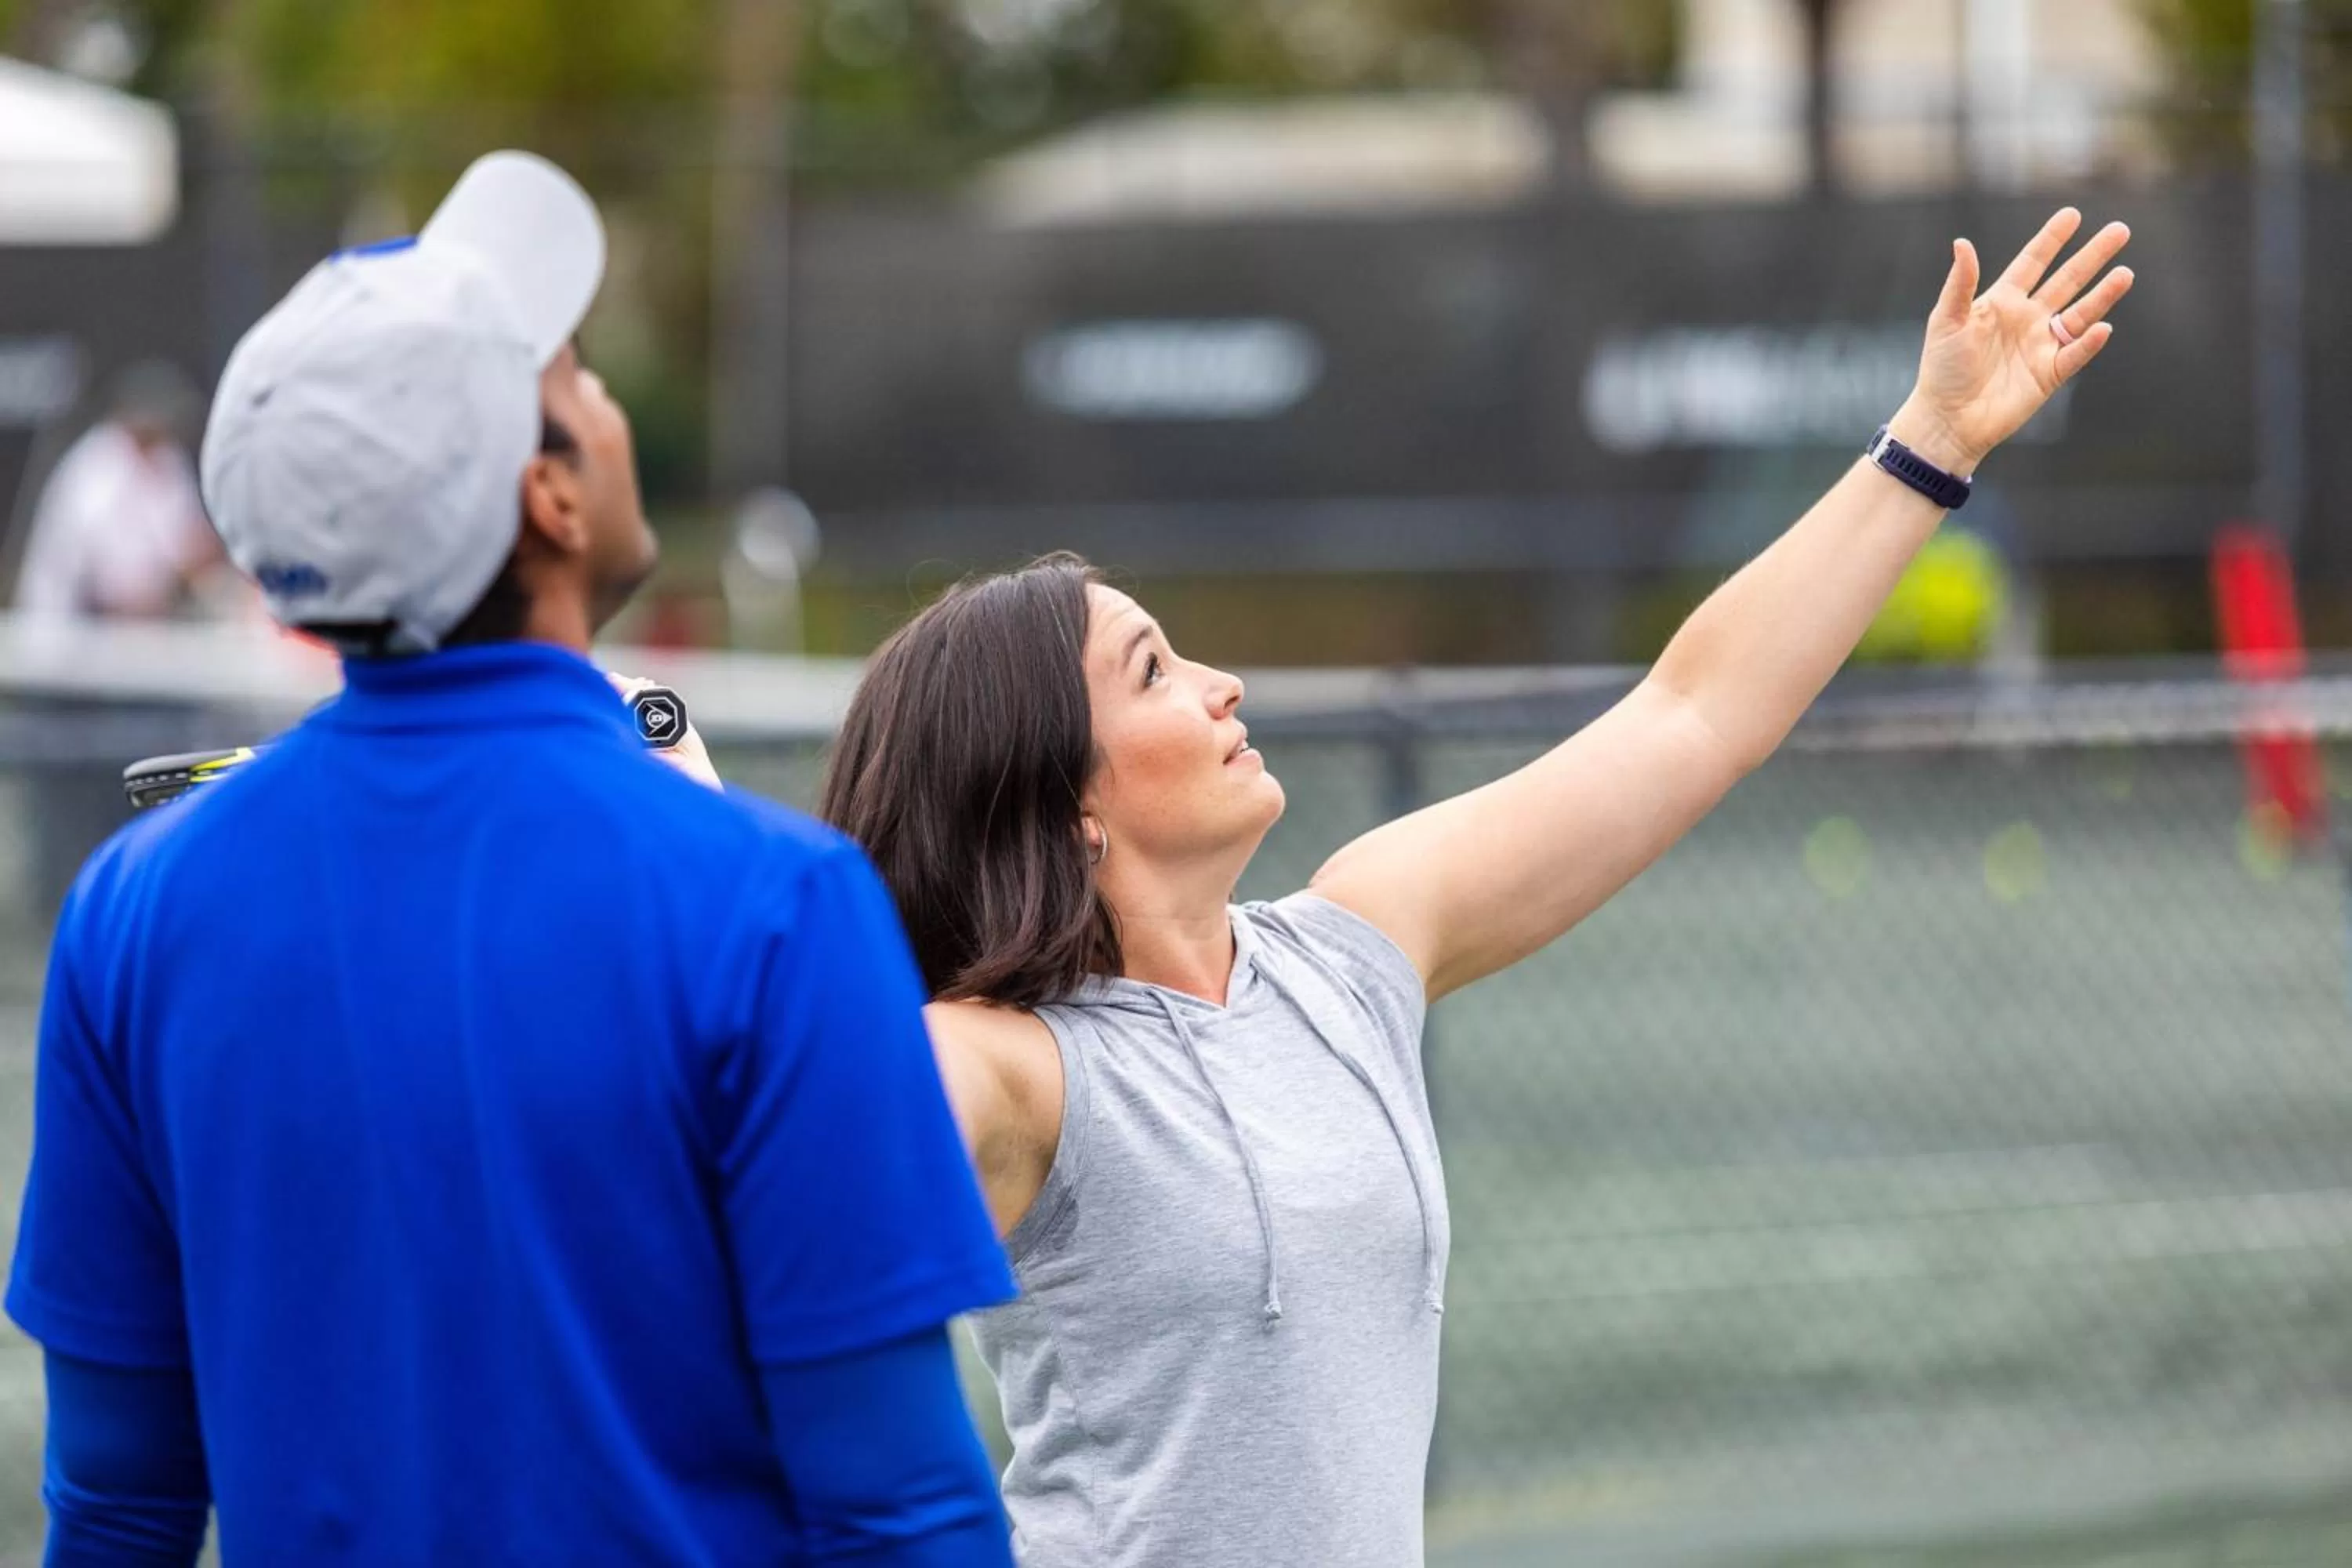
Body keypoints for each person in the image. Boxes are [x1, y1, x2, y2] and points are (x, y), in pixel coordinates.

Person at [814, 209, 2136, 1566]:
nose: (1223, 686)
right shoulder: (1011, 1067)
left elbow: (1692, 714)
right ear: (1063, 800)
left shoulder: (1351, 949)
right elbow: (799, 1120)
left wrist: (1933, 443)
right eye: (1155, 671)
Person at [6, 151, 1017, 1567]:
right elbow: (900, 1507)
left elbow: (117, 1508)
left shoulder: (132, 910)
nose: (610, 401)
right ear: (550, 494)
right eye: (580, 373)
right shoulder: (775, 905)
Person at [10, 361, 230, 626]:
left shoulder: (167, 458)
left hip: (132, 627)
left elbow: (187, 540)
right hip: (67, 619)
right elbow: (109, 571)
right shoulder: (95, 463)